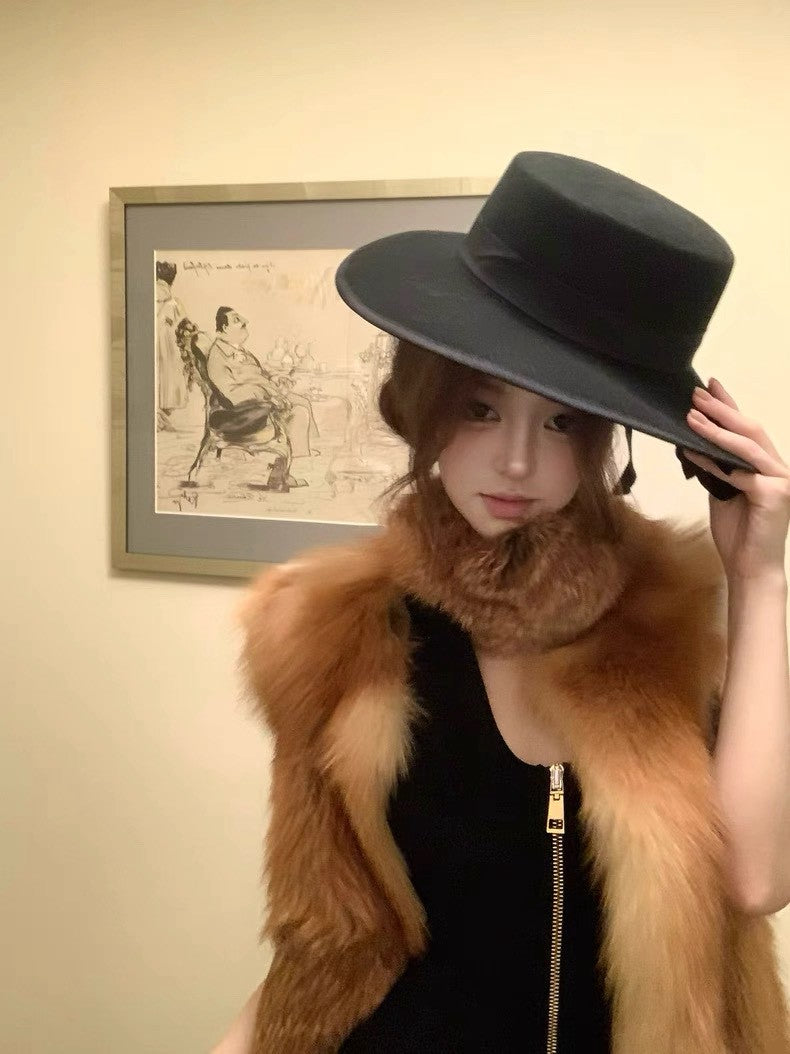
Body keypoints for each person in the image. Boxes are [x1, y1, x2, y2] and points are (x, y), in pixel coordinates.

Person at [211, 153, 790, 1053]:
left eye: (560, 421)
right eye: (480, 408)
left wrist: (760, 577)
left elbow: (754, 882)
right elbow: (325, 937)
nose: (517, 462)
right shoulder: (335, 632)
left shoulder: (669, 620)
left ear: (604, 439)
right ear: (424, 407)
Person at [156, 260, 188, 430]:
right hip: (169, 348)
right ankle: (160, 417)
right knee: (169, 378)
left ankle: (158, 417)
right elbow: (185, 325)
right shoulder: (174, 303)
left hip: (156, 345)